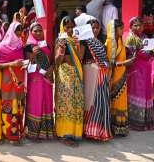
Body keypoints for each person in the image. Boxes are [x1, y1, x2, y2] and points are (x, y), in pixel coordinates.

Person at [0, 22, 25, 144]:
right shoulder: (2, 46)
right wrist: (12, 64)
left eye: (21, 29)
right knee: (9, 108)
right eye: (17, 29)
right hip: (8, 81)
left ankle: (18, 132)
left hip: (20, 81)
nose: (19, 32)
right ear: (11, 30)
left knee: (19, 107)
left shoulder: (20, 45)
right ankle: (10, 135)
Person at [54, 16, 84, 147]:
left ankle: (74, 132)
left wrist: (78, 46)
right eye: (67, 27)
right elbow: (57, 61)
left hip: (76, 74)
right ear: (63, 27)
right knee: (66, 102)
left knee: (76, 102)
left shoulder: (76, 40)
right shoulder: (61, 40)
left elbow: (80, 59)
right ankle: (64, 133)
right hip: (65, 74)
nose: (70, 29)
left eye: (72, 27)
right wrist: (61, 52)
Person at [81, 19, 112, 141]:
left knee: (100, 100)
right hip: (90, 72)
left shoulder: (100, 42)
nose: (95, 30)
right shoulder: (84, 41)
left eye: (97, 28)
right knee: (90, 100)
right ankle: (88, 129)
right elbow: (81, 58)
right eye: (93, 27)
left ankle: (98, 130)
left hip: (101, 73)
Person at [24, 23, 54, 141]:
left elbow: (52, 60)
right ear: (31, 32)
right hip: (35, 78)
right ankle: (33, 132)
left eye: (40, 31)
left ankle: (45, 132)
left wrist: (51, 70)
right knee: (35, 102)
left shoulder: (46, 45)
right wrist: (33, 55)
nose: (38, 33)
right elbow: (27, 61)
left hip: (46, 78)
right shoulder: (28, 46)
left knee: (46, 101)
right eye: (35, 31)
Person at [125, 17, 154, 131]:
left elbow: (149, 52)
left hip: (146, 69)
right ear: (131, 26)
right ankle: (135, 120)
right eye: (135, 25)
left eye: (140, 25)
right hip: (135, 69)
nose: (138, 27)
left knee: (146, 92)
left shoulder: (145, 37)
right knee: (137, 92)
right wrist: (147, 52)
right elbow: (133, 54)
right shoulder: (130, 38)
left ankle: (145, 121)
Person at [106, 19, 133, 136]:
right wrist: (125, 63)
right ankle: (113, 127)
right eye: (121, 28)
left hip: (122, 75)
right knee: (114, 101)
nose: (123, 30)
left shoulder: (121, 41)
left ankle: (120, 127)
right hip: (113, 76)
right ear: (114, 30)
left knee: (121, 101)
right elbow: (108, 63)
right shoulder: (109, 43)